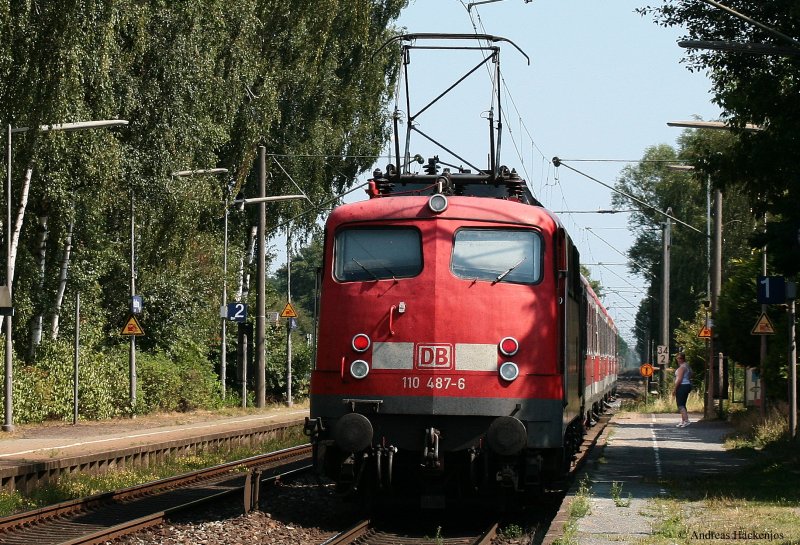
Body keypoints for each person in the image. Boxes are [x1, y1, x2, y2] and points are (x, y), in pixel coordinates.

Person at [673, 352, 692, 427]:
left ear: (683, 359)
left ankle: (686, 420)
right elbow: (691, 374)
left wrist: (674, 389)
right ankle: (683, 420)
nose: (678, 360)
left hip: (682, 386)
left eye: (680, 358)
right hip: (686, 385)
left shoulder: (682, 368)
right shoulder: (687, 366)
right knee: (683, 404)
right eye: (678, 358)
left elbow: (679, 379)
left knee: (680, 404)